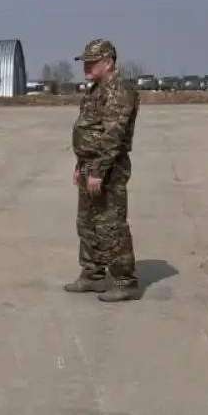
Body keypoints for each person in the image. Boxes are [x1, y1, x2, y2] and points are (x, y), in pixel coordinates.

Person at [66, 39, 141, 302]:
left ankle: (124, 279)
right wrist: (81, 166)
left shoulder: (119, 91)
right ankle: (93, 275)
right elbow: (88, 130)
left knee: (111, 224)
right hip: (90, 166)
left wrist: (98, 170)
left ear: (108, 62)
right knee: (86, 223)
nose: (86, 66)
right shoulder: (96, 90)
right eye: (85, 61)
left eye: (92, 61)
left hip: (109, 168)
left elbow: (112, 136)